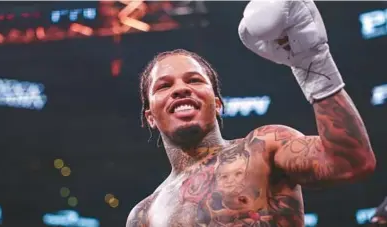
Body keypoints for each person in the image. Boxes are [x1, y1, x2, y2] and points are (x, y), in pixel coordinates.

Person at [127, 1, 376, 226]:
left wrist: (313, 64)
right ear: (149, 116)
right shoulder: (143, 214)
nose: (181, 89)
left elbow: (351, 162)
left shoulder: (264, 147)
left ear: (217, 104)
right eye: (164, 85)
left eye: (194, 80)